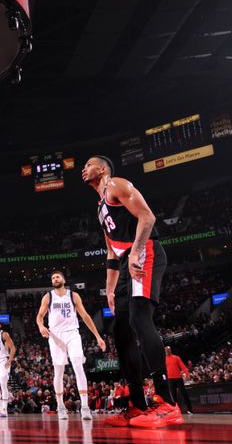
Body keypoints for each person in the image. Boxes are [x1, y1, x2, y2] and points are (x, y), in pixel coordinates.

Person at [82, 156, 183, 428]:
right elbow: (112, 251)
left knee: (139, 319)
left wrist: (136, 252)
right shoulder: (99, 206)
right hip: (127, 262)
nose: (84, 168)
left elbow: (147, 217)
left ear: (102, 169)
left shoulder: (116, 184)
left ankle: (167, 402)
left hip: (146, 252)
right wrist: (110, 288)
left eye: (88, 164)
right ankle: (137, 405)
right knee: (121, 331)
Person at [36, 270, 106, 420]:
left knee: (77, 364)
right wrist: (41, 326)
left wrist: (98, 336)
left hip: (72, 333)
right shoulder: (48, 297)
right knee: (59, 370)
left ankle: (85, 407)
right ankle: (61, 406)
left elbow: (85, 316)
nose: (55, 279)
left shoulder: (73, 295)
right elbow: (40, 316)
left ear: (63, 279)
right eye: (53, 277)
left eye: (57, 276)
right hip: (55, 335)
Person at [164, 346, 192, 414]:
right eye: (166, 350)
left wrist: (187, 374)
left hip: (178, 378)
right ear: (165, 351)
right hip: (170, 379)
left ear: (170, 350)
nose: (167, 351)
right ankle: (176, 411)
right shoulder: (164, 359)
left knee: (184, 394)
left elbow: (182, 366)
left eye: (168, 350)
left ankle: (190, 409)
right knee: (173, 396)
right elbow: (163, 370)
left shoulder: (176, 358)